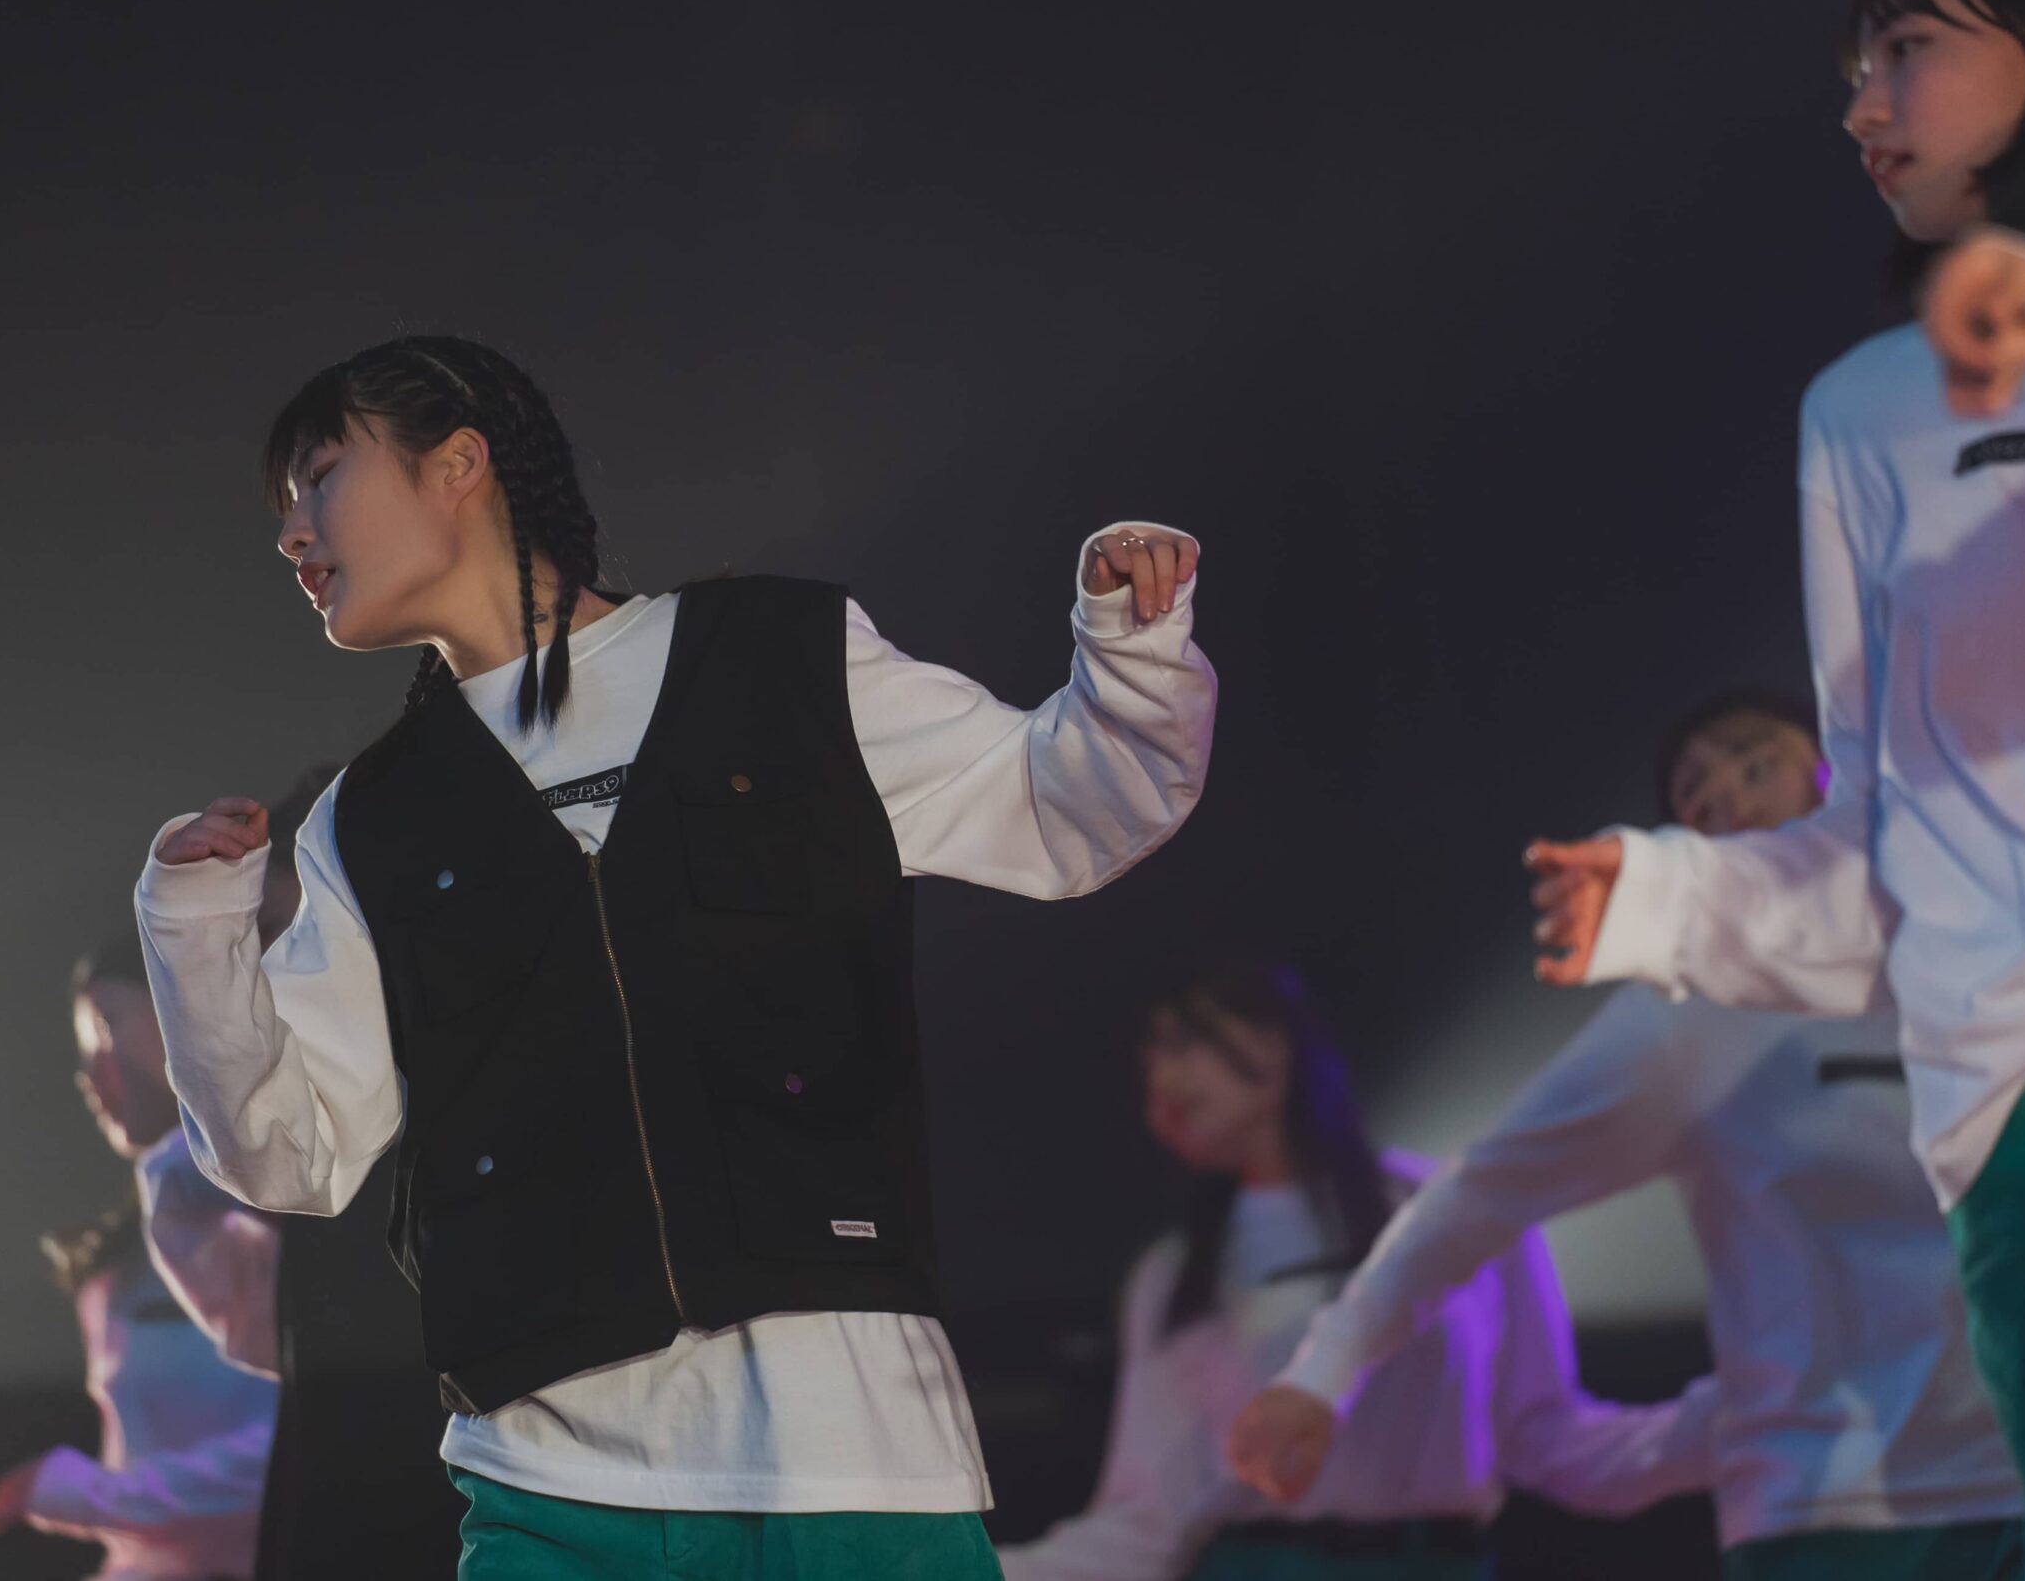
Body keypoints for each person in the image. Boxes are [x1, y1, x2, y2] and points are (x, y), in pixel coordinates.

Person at [134, 334, 1216, 1578]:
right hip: (549, 1485)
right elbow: (289, 1150)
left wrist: (1131, 646)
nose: (292, 533)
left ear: (459, 463)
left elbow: (1068, 809)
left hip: (855, 1459)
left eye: (319, 477)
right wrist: (193, 927)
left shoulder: (780, 656)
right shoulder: (371, 819)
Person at [1522, 0, 2025, 1575]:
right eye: (1857, 67)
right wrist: (1670, 896)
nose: (1864, 105)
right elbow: (1881, 816)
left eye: (1908, 48)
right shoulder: (1865, 410)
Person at [1233, 693, 2025, 1579]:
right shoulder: (1690, 1018)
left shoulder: (1991, 957)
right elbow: (1482, 1191)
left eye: (1753, 761)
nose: (1728, 793)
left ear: (1835, 768)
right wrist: (1322, 1372)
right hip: (1838, 1520)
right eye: (1696, 795)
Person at [1001, 961, 1712, 1581]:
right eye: (1151, 1054)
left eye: (1186, 1041)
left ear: (1274, 1044)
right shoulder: (1172, 1277)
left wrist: (1745, 1416)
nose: (1163, 1076)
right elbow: (1148, 1520)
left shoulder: (1452, 1213)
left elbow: (1552, 1441)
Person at [138, 763, 464, 1581]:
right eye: (259, 942)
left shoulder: (446, 1096)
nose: (273, 973)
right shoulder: (312, 1135)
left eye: (292, 935)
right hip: (342, 1478)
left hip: (446, 1483)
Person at [0, 937, 278, 1579]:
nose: (90, 1075)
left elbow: (294, 1448)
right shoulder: (117, 1258)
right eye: (83, 1047)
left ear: (185, 1016)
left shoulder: (273, 1211)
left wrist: (79, 1494)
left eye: (107, 1027)